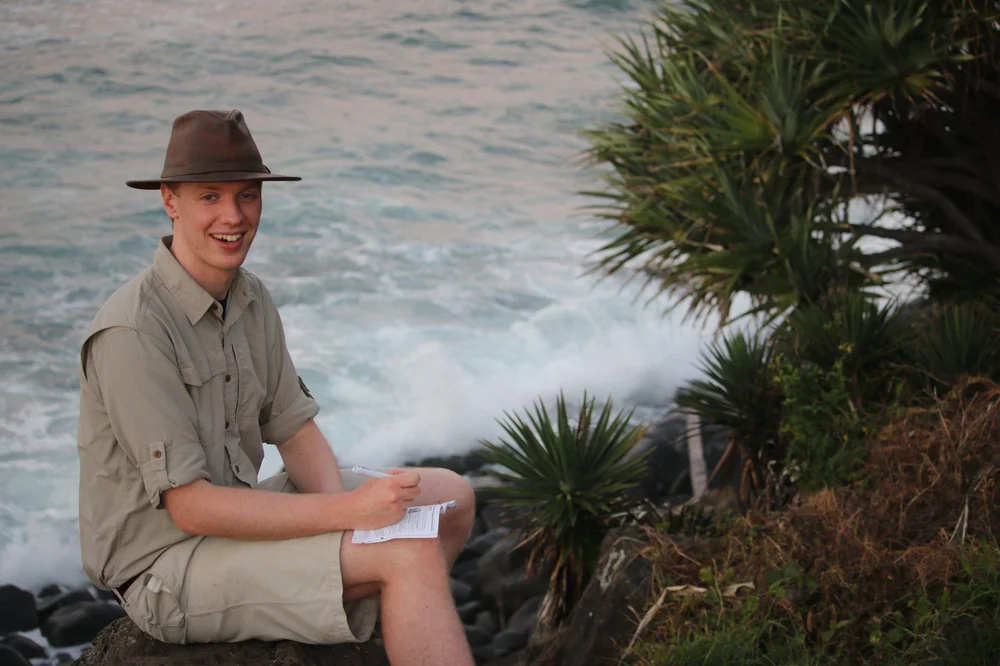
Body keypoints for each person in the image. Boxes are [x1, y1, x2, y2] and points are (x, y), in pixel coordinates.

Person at [76, 109, 476, 665]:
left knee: (452, 498)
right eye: (209, 197)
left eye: (247, 196)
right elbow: (191, 509)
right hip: (168, 567)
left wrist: (349, 515)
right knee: (406, 553)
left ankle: (401, 635)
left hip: (235, 519)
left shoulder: (250, 297)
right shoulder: (133, 330)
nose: (233, 217)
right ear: (170, 200)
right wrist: (350, 518)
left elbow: (293, 428)